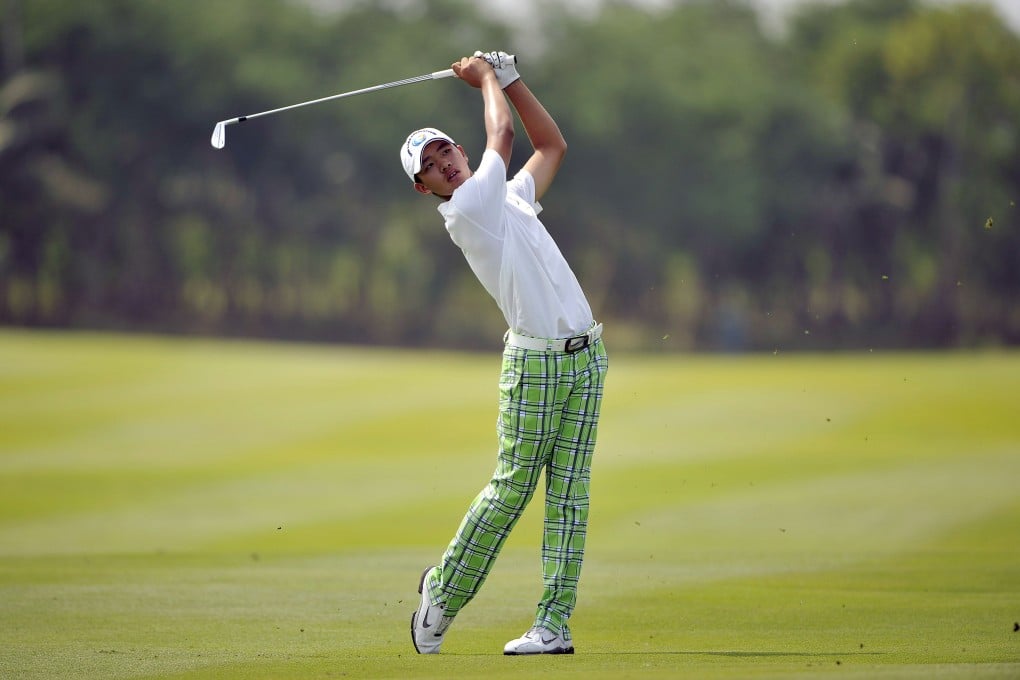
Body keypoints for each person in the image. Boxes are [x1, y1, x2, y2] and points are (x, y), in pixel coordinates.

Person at [400, 51, 609, 656]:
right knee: (513, 489)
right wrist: (486, 78)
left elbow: (551, 146)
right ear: (426, 188)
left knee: (570, 495)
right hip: (536, 365)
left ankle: (553, 626)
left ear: (460, 153)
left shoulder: (509, 198)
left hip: (586, 356)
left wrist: (512, 79)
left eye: (448, 153)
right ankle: (441, 592)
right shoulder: (468, 210)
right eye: (433, 168)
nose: (446, 166)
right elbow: (505, 132)